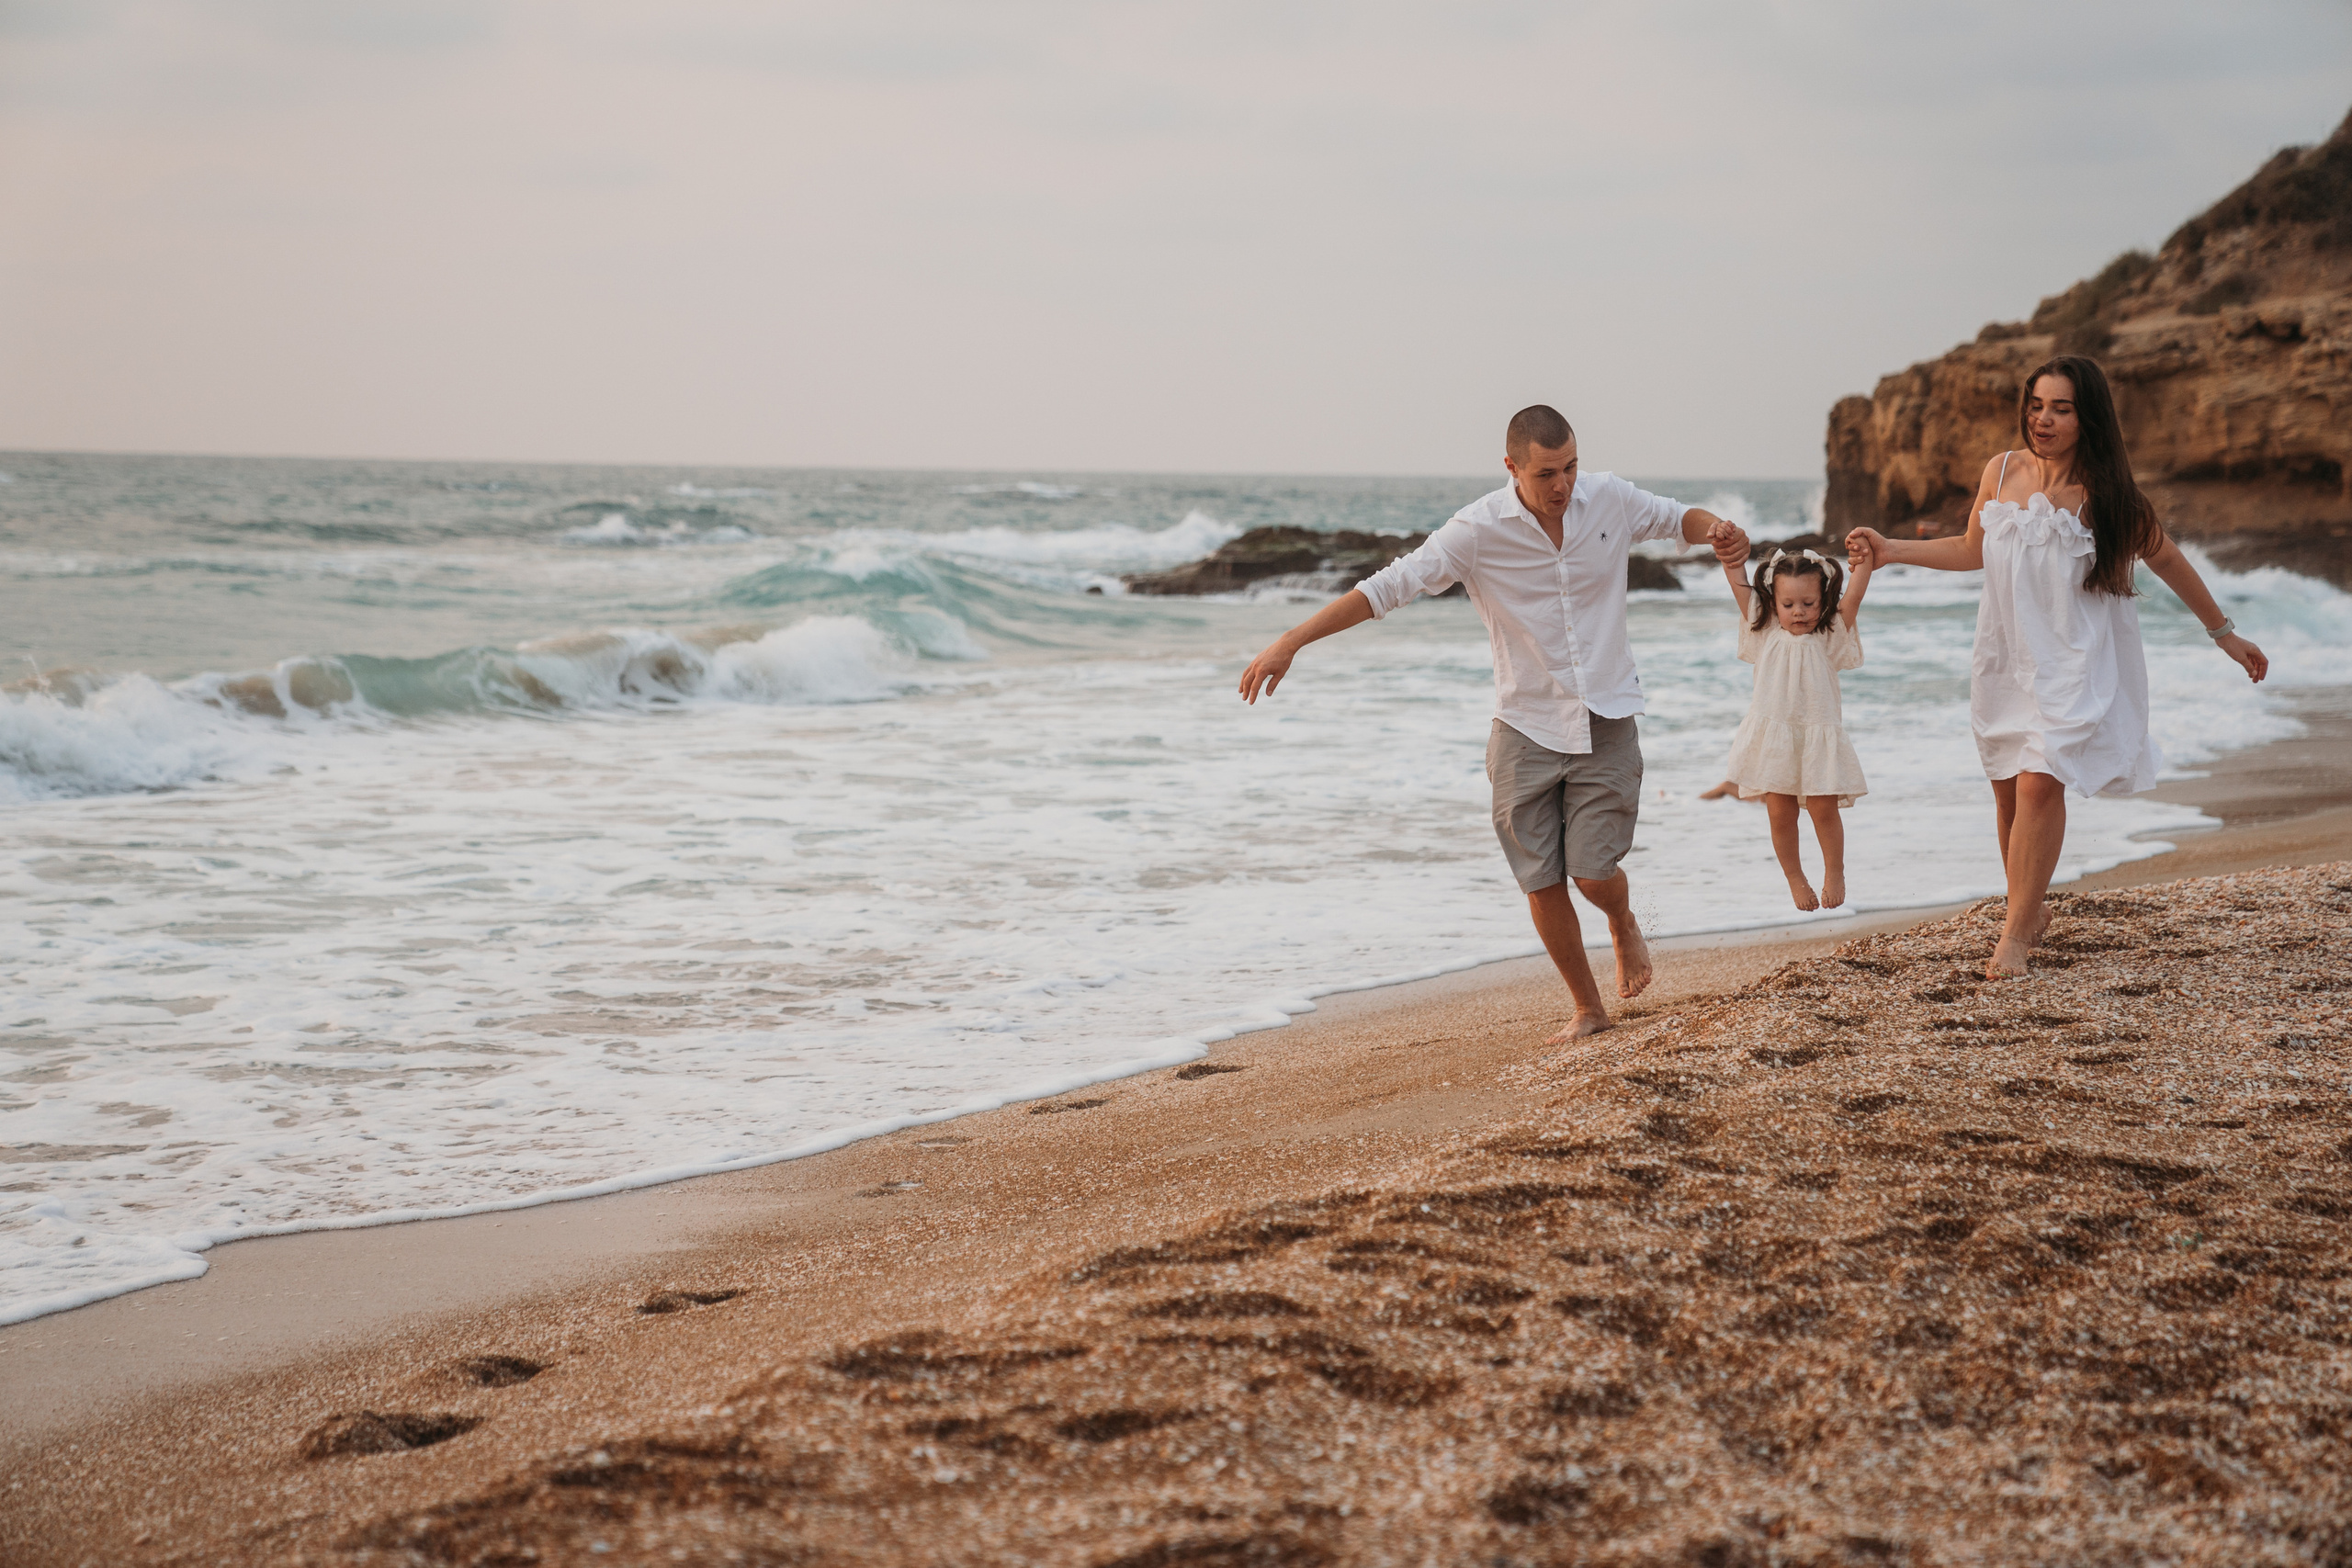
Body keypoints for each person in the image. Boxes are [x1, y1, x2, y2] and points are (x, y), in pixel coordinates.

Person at [1238, 404, 1750, 1042]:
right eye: (1546, 474)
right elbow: (1388, 587)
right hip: (1524, 724)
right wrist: (1291, 640)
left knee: (1593, 873)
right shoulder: (1476, 531)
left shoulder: (1609, 499)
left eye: (1570, 467)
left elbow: (1678, 519)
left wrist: (1717, 530)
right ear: (1512, 467)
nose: (1563, 485)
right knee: (1540, 878)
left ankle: (1621, 922)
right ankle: (1588, 1008)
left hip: (1607, 716)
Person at [1845, 355, 2268, 979]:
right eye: (2036, 405)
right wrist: (1891, 550)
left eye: (2060, 409)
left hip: (2073, 661)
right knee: (2008, 790)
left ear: (2087, 417)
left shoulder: (2109, 496)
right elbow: (1971, 549)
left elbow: (2168, 560)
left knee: (2040, 782)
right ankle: (2030, 908)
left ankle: (2014, 935)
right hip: (2004, 658)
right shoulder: (2001, 470)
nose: (2042, 419)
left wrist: (2224, 635)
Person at [1717, 543, 1874, 910]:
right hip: (1775, 741)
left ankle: (1834, 871)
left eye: (1808, 603)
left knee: (1823, 810)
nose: (1799, 611)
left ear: (1823, 600)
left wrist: (1864, 558)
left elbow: (1855, 594)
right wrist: (1728, 554)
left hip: (1818, 737)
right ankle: (1795, 877)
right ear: (1773, 603)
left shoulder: (1830, 632)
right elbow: (1737, 582)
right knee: (1779, 813)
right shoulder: (1764, 629)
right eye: (1788, 604)